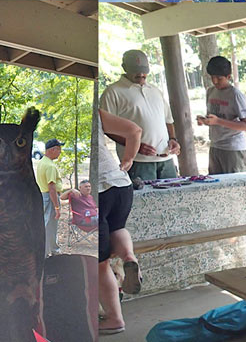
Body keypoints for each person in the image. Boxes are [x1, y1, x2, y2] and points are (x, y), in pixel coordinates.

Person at [100, 49, 181, 181]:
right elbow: (107, 128)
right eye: (136, 71)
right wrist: (134, 145)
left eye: (144, 71)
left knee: (173, 197)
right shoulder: (112, 92)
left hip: (166, 159)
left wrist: (173, 139)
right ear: (125, 68)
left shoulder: (155, 91)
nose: (141, 74)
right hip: (137, 161)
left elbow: (168, 120)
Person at [97, 108, 144, 336]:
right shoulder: (95, 112)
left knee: (100, 263)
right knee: (118, 227)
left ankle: (114, 318)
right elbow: (134, 130)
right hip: (120, 184)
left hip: (94, 191)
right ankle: (129, 257)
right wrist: (128, 159)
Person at [197, 56, 246, 174]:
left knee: (235, 186)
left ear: (228, 77)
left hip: (233, 148)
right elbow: (213, 117)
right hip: (215, 146)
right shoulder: (211, 92)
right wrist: (205, 120)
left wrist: (218, 121)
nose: (215, 81)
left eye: (219, 78)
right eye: (212, 77)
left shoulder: (235, 95)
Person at [34, 137, 65, 256]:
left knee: (48, 225)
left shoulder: (43, 162)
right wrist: (57, 208)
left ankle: (51, 250)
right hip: (49, 197)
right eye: (59, 149)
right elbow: (51, 187)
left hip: (43, 196)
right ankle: (47, 252)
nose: (60, 152)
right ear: (52, 150)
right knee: (49, 226)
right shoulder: (50, 166)